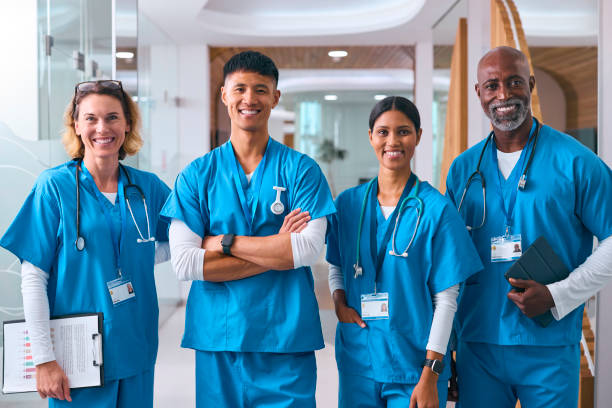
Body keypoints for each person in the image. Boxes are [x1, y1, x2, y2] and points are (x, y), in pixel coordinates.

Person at [161, 51, 335, 407]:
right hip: (219, 339)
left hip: (285, 335)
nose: (249, 99)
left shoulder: (302, 171)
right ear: (224, 95)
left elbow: (306, 252)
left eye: (260, 89)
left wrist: (224, 242)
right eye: (239, 88)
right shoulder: (196, 176)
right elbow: (184, 264)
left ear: (275, 97)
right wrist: (278, 248)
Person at [445, 46, 612, 408]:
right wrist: (448, 348)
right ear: (478, 93)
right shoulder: (463, 170)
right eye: (492, 86)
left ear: (531, 85)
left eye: (514, 82)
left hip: (548, 345)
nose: (503, 95)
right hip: (478, 345)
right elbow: (450, 263)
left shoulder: (578, 162)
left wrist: (559, 294)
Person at [0, 80, 171, 407]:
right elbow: (34, 278)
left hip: (135, 345)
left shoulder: (147, 188)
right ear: (76, 125)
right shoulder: (53, 187)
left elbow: (171, 245)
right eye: (91, 118)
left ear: (128, 125)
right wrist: (43, 359)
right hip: (75, 358)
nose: (102, 127)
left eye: (112, 117)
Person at [326, 96, 482, 408]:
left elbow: (447, 300)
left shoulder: (437, 209)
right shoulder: (347, 203)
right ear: (371, 136)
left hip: (413, 366)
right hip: (359, 359)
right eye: (383, 132)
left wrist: (431, 373)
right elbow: (337, 265)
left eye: (403, 131)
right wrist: (339, 301)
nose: (393, 141)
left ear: (419, 136)